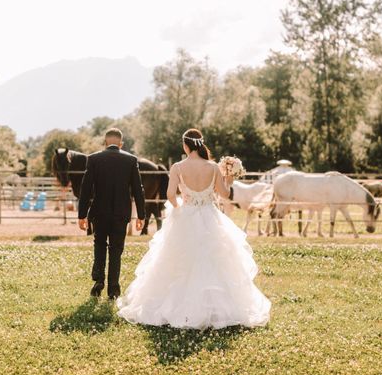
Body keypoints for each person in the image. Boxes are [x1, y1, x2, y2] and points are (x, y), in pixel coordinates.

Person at [117, 128, 271, 329]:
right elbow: (224, 194)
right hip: (210, 216)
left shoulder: (178, 167)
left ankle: (177, 307)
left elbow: (170, 194)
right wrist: (229, 179)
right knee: (214, 261)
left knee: (178, 261)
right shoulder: (213, 167)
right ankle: (217, 309)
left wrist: (180, 207)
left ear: (185, 145)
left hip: (186, 215)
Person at [78, 128, 145, 299]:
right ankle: (113, 290)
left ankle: (98, 280)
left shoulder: (94, 159)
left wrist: (81, 215)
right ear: (121, 143)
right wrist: (141, 215)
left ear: (105, 142)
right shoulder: (131, 160)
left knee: (99, 244)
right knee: (116, 249)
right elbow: (138, 190)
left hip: (99, 212)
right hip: (121, 213)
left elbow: (85, 189)